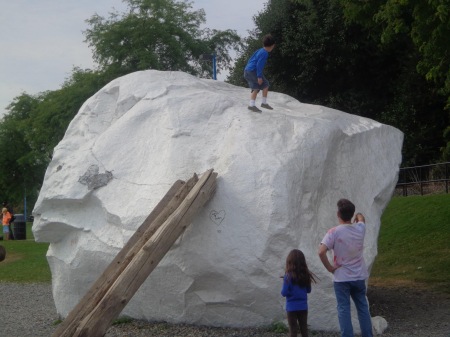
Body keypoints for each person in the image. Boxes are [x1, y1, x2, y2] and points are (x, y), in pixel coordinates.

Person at [318, 199, 373, 337]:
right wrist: (358, 216)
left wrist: (330, 268)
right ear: (351, 214)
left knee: (343, 310)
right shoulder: (360, 229)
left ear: (338, 214)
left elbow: (321, 251)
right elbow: (361, 218)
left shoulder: (334, 232)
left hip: (342, 277)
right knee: (362, 308)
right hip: (359, 275)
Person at [281, 249, 318, 337]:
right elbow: (308, 290)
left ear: (289, 262)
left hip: (291, 308)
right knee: (304, 330)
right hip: (303, 307)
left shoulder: (287, 276)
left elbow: (283, 293)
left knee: (293, 331)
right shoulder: (306, 275)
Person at [244, 34, 276, 113]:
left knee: (260, 86)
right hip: (253, 71)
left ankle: (257, 104)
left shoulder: (260, 50)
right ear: (271, 46)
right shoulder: (264, 53)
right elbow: (259, 65)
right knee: (261, 86)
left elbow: (251, 59)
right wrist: (259, 77)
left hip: (248, 70)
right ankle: (258, 104)